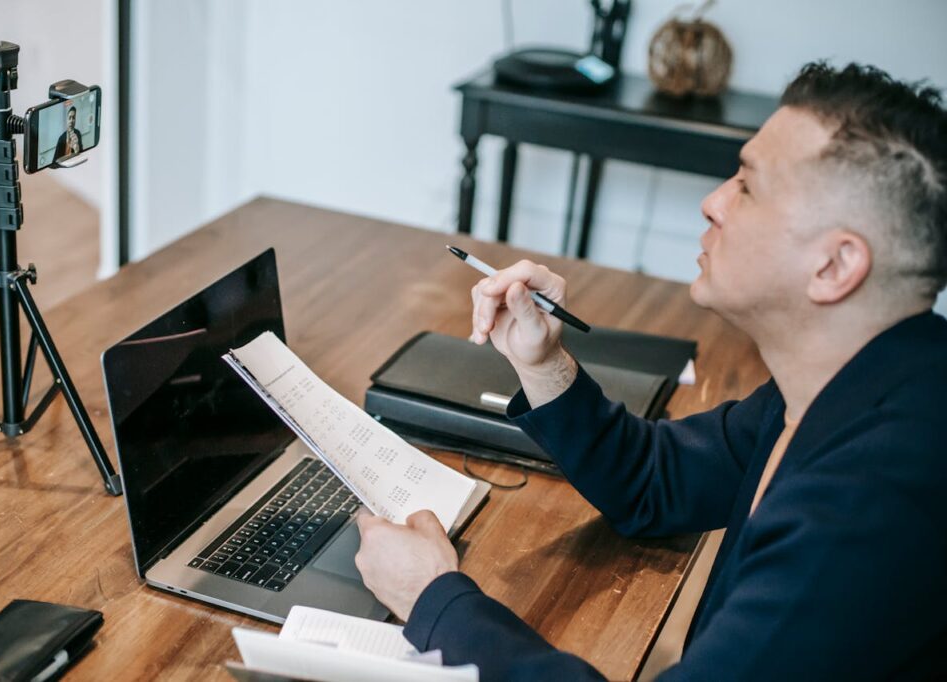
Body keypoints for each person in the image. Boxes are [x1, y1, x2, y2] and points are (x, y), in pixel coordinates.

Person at [354, 62, 947, 680]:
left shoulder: (871, 504)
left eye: (748, 186)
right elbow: (655, 484)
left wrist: (435, 600)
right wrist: (543, 361)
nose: (712, 202)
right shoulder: (855, 378)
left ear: (834, 267)